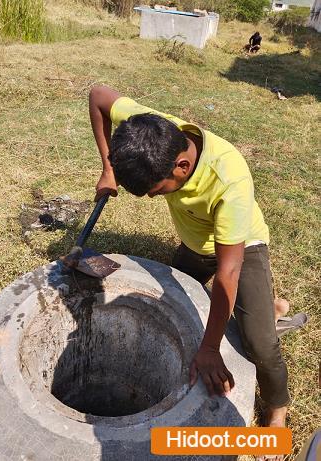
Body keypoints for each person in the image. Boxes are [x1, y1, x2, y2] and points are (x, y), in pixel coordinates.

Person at [89, 85, 289, 441]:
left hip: (242, 245)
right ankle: (262, 307)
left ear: (182, 166)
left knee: (260, 343)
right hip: (196, 242)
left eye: (157, 190)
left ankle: (277, 411)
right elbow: (99, 95)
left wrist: (210, 349)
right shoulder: (152, 130)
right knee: (172, 308)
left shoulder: (229, 180)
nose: (154, 197)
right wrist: (108, 168)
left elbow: (228, 271)